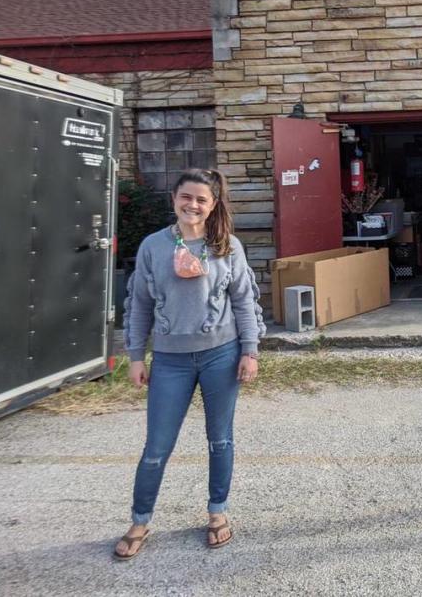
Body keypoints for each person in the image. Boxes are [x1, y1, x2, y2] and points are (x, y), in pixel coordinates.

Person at [114, 168, 266, 560]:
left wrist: (249, 351)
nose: (192, 205)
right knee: (156, 445)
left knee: (220, 439)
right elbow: (140, 305)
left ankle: (217, 513)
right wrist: (135, 356)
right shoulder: (153, 246)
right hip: (169, 360)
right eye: (186, 197)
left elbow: (244, 302)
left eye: (201, 199)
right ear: (174, 199)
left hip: (222, 354)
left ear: (213, 204)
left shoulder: (227, 246)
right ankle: (140, 519)